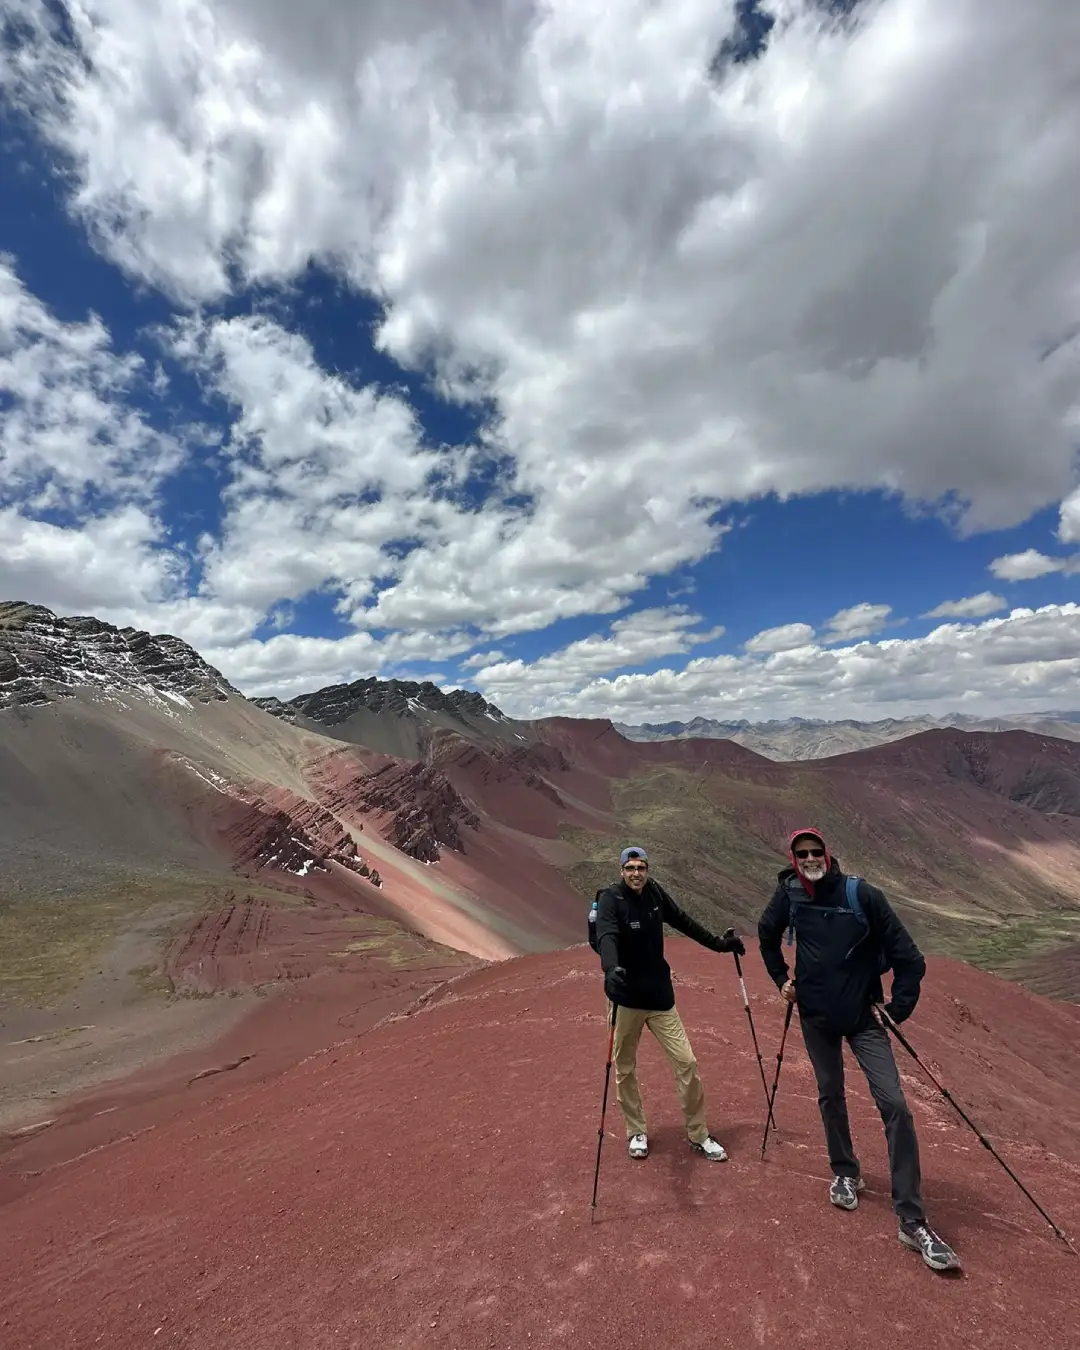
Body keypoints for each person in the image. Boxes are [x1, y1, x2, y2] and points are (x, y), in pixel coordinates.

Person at [757, 827, 961, 1273]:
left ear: (828, 854)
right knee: (830, 1094)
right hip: (815, 1019)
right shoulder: (789, 895)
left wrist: (897, 1010)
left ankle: (911, 1217)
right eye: (801, 853)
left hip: (865, 1021)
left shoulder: (862, 895)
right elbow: (766, 934)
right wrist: (781, 980)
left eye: (816, 852)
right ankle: (845, 1172)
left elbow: (910, 959)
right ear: (794, 859)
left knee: (896, 1105)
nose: (810, 858)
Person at [594, 845, 745, 1162]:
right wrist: (610, 970)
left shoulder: (655, 894)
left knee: (686, 1062)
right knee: (624, 1068)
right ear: (621, 871)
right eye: (630, 868)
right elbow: (606, 935)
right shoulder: (611, 899)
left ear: (648, 870)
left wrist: (719, 945)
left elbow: (684, 921)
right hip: (625, 1000)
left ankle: (699, 1134)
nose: (636, 873)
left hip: (660, 999)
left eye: (641, 868)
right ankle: (636, 1131)